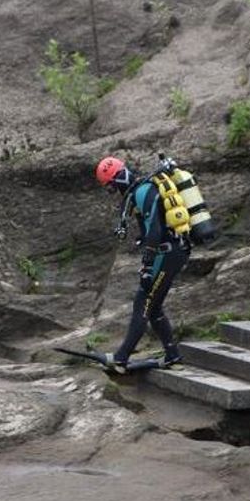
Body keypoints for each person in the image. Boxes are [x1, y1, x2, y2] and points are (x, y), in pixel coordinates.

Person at [93, 155, 187, 372]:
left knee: (142, 301)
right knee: (153, 308)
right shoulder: (142, 190)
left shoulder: (143, 192)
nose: (114, 191)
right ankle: (172, 354)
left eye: (112, 187)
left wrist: (147, 264)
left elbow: (154, 230)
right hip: (176, 250)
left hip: (167, 253)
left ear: (118, 179)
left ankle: (120, 358)